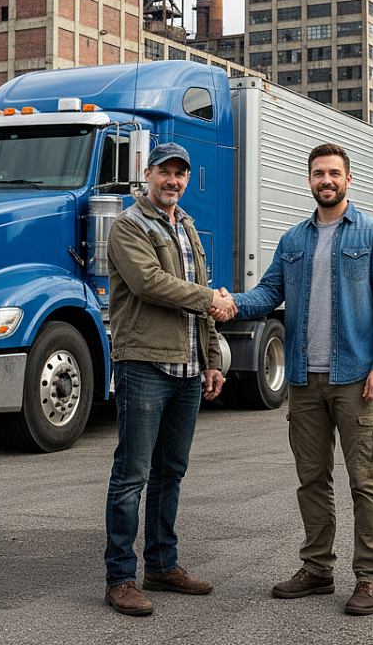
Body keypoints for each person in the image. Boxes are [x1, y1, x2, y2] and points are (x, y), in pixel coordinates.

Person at [228, 142, 373, 616]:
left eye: (333, 173)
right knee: (312, 479)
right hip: (305, 381)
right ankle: (318, 569)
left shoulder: (372, 234)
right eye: (318, 174)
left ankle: (369, 578)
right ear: (308, 180)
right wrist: (228, 302)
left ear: (348, 178)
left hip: (355, 381)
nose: (325, 180)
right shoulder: (294, 241)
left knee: (365, 480)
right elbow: (268, 293)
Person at [103, 142, 237, 617]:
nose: (173, 181)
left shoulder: (186, 225)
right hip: (143, 365)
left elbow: (200, 306)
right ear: (148, 173)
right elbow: (149, 284)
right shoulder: (128, 225)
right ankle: (120, 577)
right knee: (132, 475)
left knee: (170, 473)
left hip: (186, 369)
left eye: (180, 174)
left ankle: (162, 564)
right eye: (165, 172)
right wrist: (210, 298)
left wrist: (212, 359)